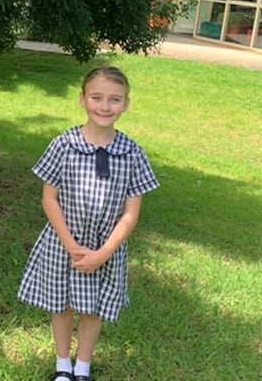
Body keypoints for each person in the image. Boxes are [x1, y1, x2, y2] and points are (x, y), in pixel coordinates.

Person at [17, 67, 159, 381]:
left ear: (126, 104)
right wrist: (71, 246)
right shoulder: (64, 144)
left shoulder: (133, 153)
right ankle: (63, 366)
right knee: (62, 304)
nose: (105, 106)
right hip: (62, 243)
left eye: (114, 99)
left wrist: (104, 252)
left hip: (106, 249)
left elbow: (131, 213)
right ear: (82, 99)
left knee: (93, 309)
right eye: (96, 97)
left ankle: (83, 368)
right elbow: (49, 199)